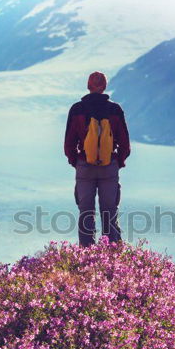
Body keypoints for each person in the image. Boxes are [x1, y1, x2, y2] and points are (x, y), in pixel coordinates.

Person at [64, 71, 130, 247]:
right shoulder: (115, 110)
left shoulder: (77, 109)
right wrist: (117, 162)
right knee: (109, 212)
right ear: (105, 86)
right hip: (109, 166)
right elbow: (125, 144)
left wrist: (77, 162)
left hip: (84, 166)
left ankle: (87, 255)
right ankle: (113, 255)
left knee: (86, 213)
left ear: (88, 86)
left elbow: (69, 144)